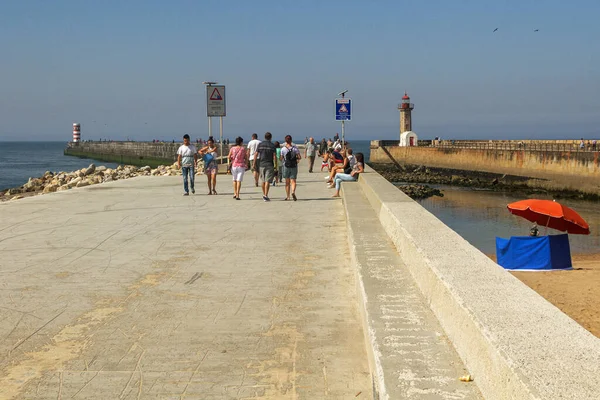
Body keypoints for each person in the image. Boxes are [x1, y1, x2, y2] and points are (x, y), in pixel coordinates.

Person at [253, 132, 277, 202]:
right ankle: (266, 195)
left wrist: (254, 163)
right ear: (271, 137)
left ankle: (264, 194)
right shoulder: (272, 145)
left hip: (261, 164)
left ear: (264, 137)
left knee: (263, 180)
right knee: (267, 181)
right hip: (269, 164)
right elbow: (274, 156)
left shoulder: (260, 144)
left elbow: (256, 154)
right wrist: (275, 165)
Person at [281, 135, 301, 201]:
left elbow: (281, 158)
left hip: (286, 166)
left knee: (287, 182)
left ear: (285, 141)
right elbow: (299, 157)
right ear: (291, 140)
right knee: (293, 180)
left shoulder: (283, 149)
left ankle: (288, 196)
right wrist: (296, 159)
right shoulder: (295, 148)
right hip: (294, 165)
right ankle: (293, 192)